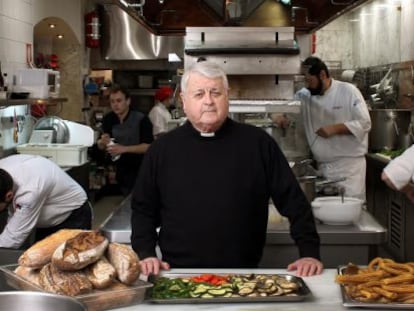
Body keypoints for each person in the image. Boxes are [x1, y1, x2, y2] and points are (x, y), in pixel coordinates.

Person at [131, 61, 323, 277]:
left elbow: (294, 201)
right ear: (184, 101)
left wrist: (309, 252)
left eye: (216, 93)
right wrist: (146, 252)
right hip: (178, 274)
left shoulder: (258, 144)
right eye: (199, 94)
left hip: (243, 275)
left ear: (227, 96)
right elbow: (143, 209)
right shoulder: (162, 150)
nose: (209, 101)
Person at [273, 56, 371, 201]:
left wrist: (334, 128)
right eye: (304, 81)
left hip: (350, 169)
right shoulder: (303, 96)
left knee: (350, 208)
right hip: (324, 169)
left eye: (309, 81)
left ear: (322, 75)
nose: (307, 85)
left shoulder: (348, 91)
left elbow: (365, 123)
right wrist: (280, 117)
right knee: (330, 211)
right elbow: (288, 113)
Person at [0, 154, 91, 249]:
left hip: (71, 216)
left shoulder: (29, 192)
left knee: (70, 259)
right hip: (43, 217)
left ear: (8, 195)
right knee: (37, 258)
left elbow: (10, 240)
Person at [97, 84, 153, 196]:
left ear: (128, 101)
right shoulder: (108, 119)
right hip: (118, 170)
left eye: (119, 101)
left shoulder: (141, 119)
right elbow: (101, 145)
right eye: (112, 101)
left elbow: (148, 147)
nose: (115, 105)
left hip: (139, 169)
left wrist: (124, 149)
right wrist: (102, 142)